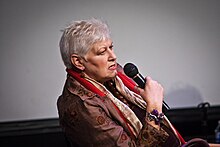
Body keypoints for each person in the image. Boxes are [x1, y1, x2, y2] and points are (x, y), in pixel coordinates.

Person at [57, 18, 210, 147]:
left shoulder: (115, 73)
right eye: (102, 52)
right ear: (78, 62)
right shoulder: (81, 106)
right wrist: (154, 107)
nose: (113, 56)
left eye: (111, 47)